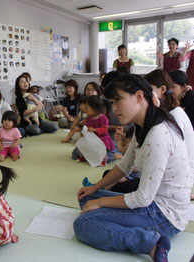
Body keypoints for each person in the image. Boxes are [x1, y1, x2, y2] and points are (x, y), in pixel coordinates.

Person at [74, 74, 191, 262]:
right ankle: (116, 219)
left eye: (117, 101)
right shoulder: (142, 125)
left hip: (165, 216)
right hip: (150, 205)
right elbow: (124, 166)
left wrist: (102, 203)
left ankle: (151, 243)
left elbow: (143, 198)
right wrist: (95, 188)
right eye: (111, 103)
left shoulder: (158, 135)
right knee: (87, 198)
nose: (114, 109)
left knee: (84, 223)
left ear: (138, 97)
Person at [144, 69, 194, 201]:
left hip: (177, 180)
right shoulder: (168, 112)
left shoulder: (175, 115)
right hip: (170, 175)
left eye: (149, 90)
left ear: (163, 90)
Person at [74, 95, 114, 166]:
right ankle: (83, 157)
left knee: (100, 149)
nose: (85, 109)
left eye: (87, 108)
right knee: (82, 145)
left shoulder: (102, 118)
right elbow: (86, 128)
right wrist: (84, 133)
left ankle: (103, 161)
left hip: (101, 139)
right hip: (91, 138)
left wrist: (95, 129)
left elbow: (105, 129)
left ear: (94, 109)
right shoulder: (89, 118)